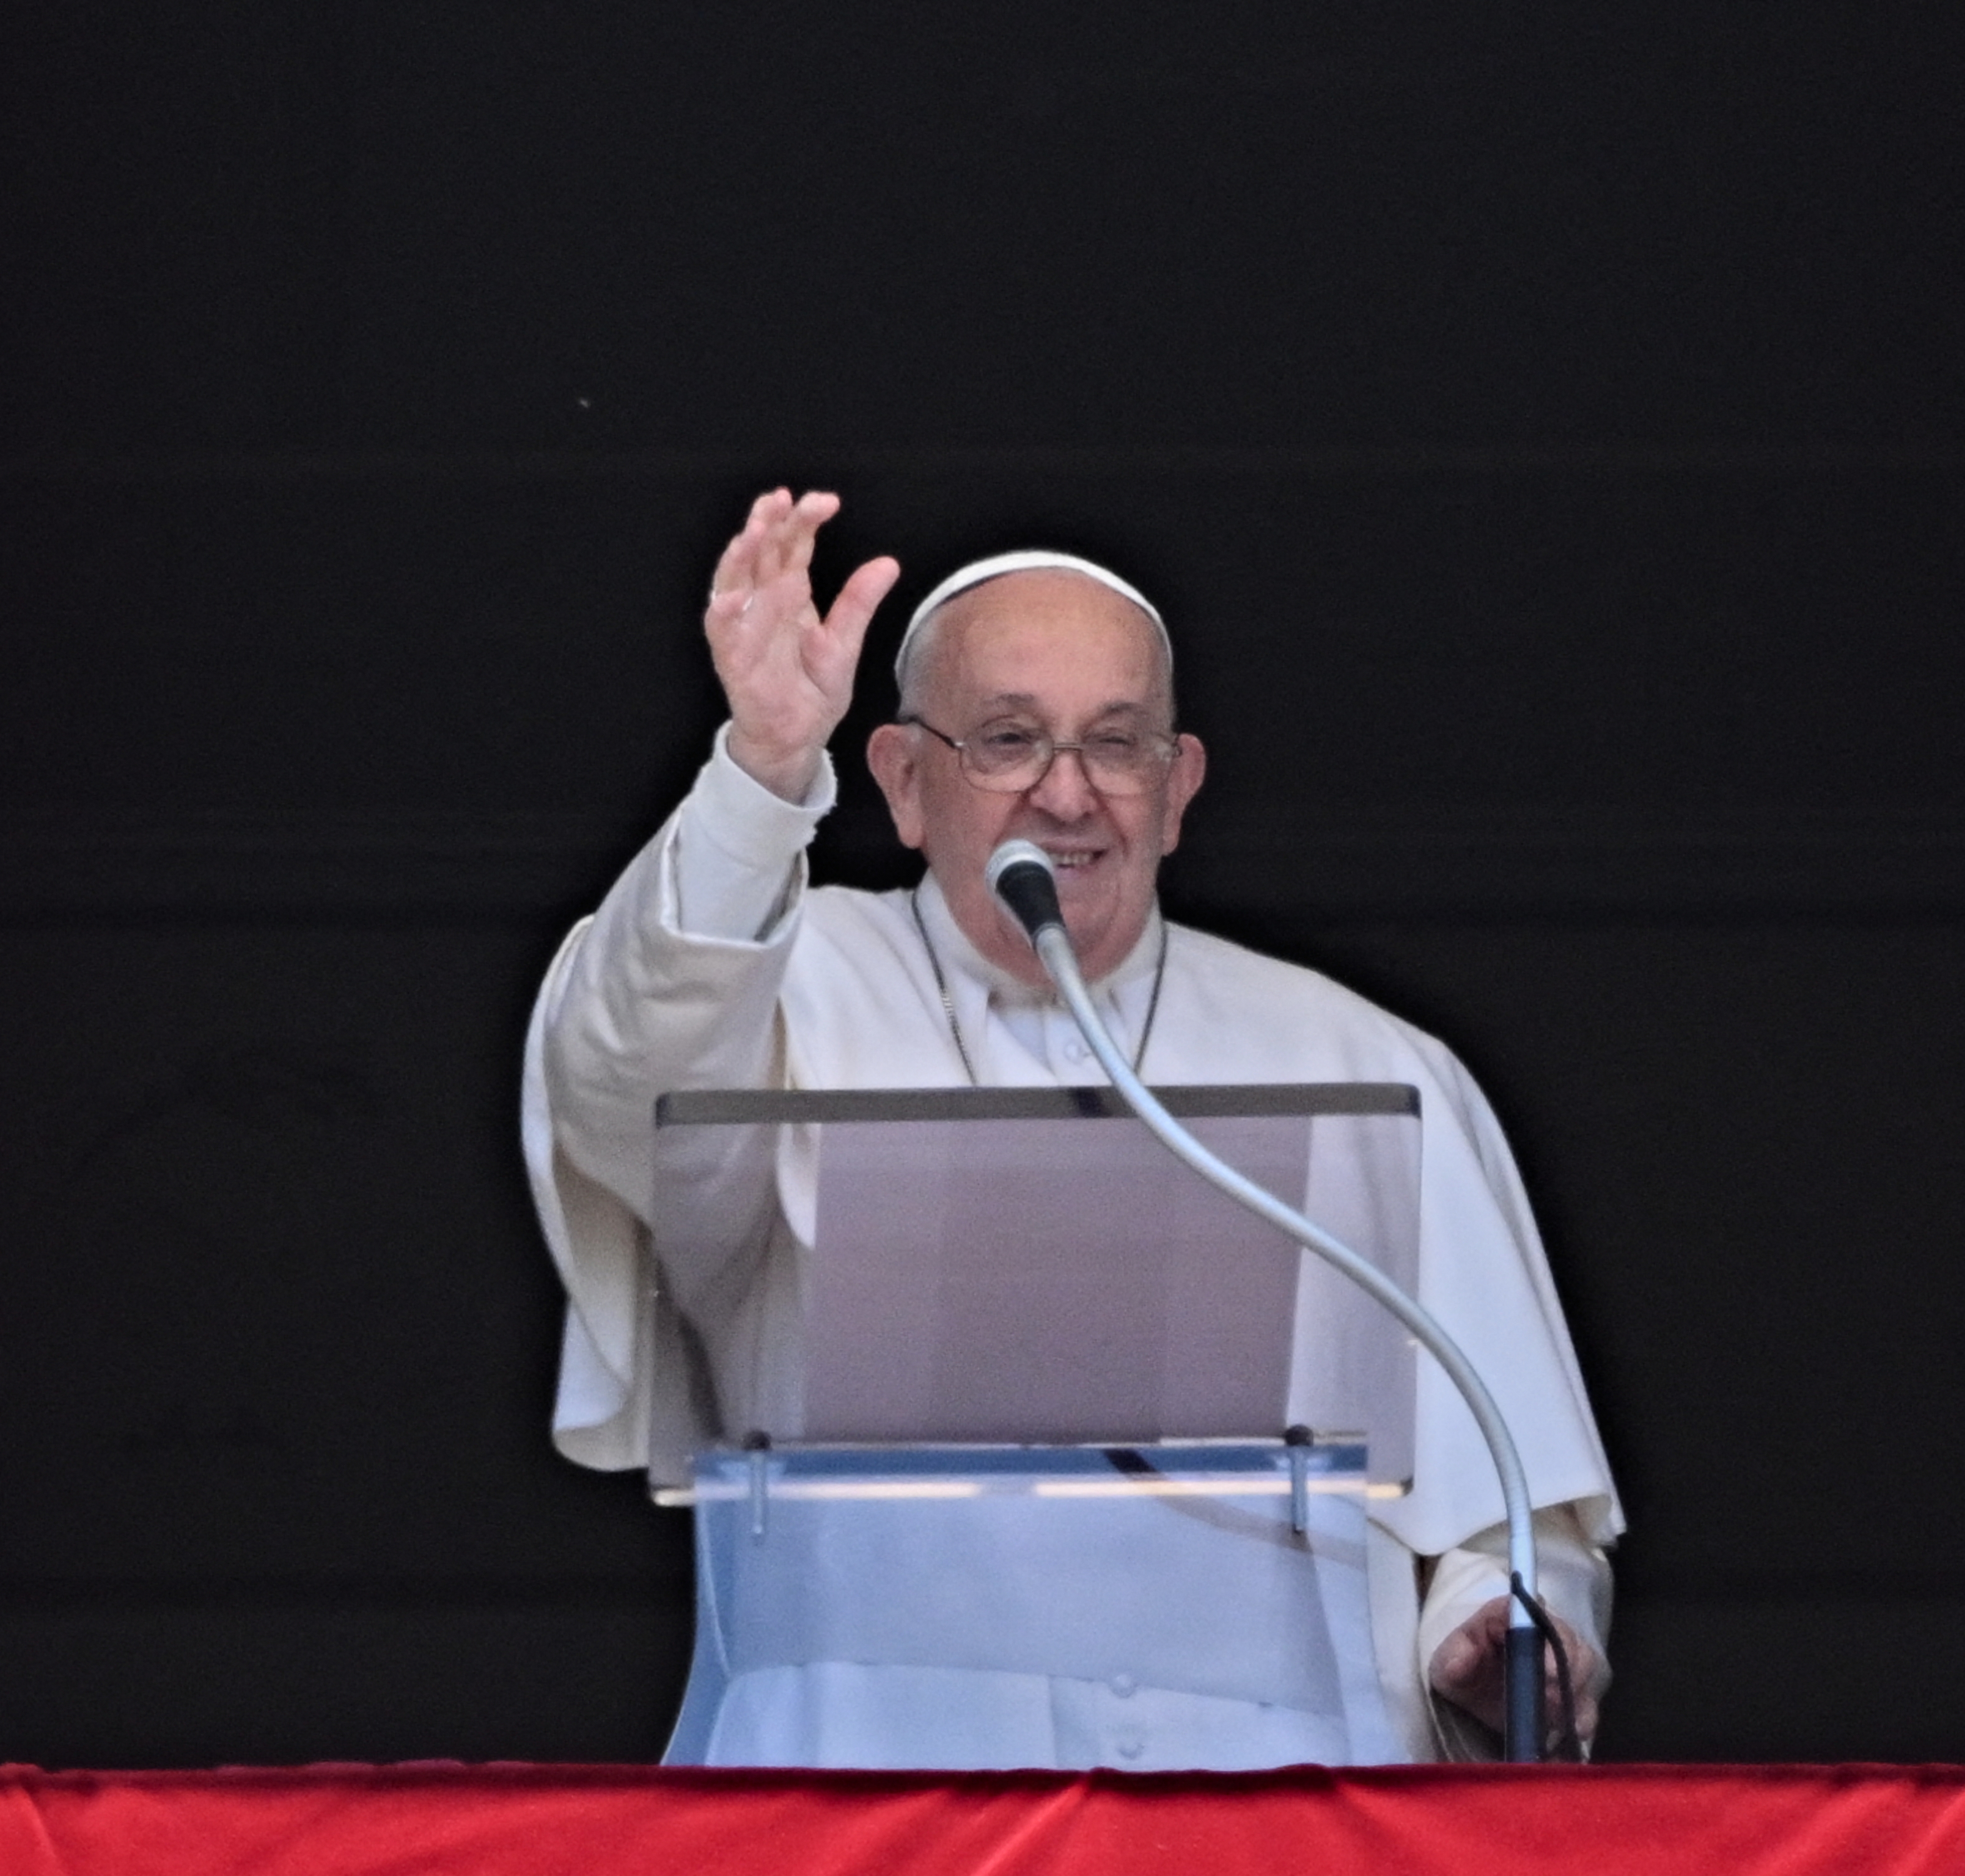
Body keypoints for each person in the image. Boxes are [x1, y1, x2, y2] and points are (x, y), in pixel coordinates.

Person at [520, 488, 1621, 1765]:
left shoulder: (1363, 1058)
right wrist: (761, 775)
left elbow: (1511, 1505)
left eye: (1117, 743)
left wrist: (1495, 1627)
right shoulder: (777, 978)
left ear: (1179, 786)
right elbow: (617, 1073)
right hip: (871, 1779)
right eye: (1006, 740)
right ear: (902, 780)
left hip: (1280, 1797)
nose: (1068, 794)